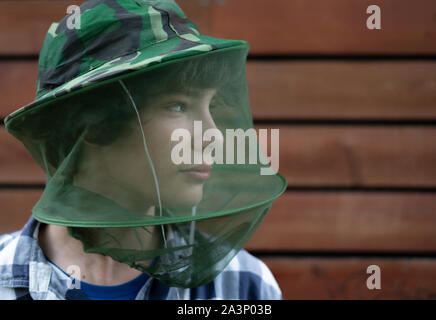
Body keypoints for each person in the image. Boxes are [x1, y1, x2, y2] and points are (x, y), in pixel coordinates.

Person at [0, 0, 286, 300]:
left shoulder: (242, 287)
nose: (213, 135)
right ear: (90, 123)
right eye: (178, 105)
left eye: (211, 106)